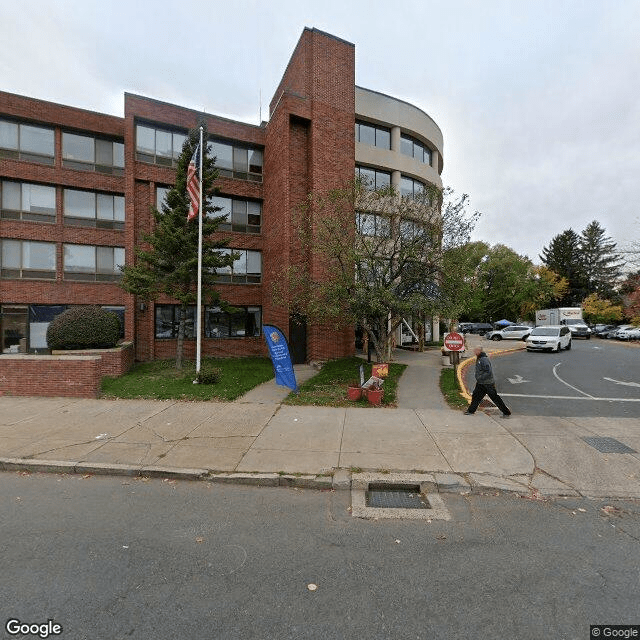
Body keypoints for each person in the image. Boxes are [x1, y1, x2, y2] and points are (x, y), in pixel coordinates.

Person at [464, 346, 511, 418]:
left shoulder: (483, 359)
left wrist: (480, 378)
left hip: (487, 384)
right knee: (476, 396)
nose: (474, 352)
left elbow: (488, 371)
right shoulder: (479, 358)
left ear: (479, 351)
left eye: (475, 350)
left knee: (495, 398)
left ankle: (506, 412)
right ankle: (471, 411)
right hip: (481, 384)